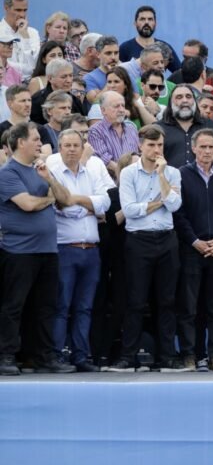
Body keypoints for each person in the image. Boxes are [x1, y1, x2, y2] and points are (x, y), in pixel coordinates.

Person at [0, 122, 75, 375]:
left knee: (46, 307)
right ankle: (7, 356)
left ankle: (44, 357)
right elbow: (28, 204)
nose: (39, 144)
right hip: (18, 251)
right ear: (21, 142)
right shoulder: (8, 172)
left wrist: (50, 180)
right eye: (34, 139)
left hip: (47, 250)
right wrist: (50, 200)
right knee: (14, 306)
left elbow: (66, 200)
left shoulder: (42, 170)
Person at [109, 124, 184, 373]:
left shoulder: (172, 172)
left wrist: (161, 177)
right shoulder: (129, 173)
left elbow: (174, 206)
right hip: (138, 240)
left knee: (167, 300)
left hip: (166, 239)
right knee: (136, 300)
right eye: (151, 145)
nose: (156, 150)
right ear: (140, 146)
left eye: (159, 145)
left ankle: (168, 358)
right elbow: (130, 210)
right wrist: (160, 200)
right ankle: (128, 357)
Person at [174, 129, 213, 372]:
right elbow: (179, 213)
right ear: (194, 149)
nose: (207, 151)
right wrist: (194, 241)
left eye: (212, 147)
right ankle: (189, 355)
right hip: (192, 249)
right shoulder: (181, 175)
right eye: (203, 147)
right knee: (189, 307)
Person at [50, 128, 111, 373]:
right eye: (67, 145)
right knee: (61, 306)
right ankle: (56, 355)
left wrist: (75, 200)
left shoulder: (92, 171)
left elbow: (105, 201)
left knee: (85, 307)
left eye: (76, 145)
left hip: (91, 250)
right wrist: (88, 204)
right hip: (65, 249)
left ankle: (80, 355)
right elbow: (63, 207)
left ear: (83, 146)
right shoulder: (53, 173)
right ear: (60, 147)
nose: (72, 149)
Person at [157, 84, 213, 174]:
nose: (185, 100)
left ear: (194, 101)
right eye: (179, 97)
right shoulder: (159, 129)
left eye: (188, 97)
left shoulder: (211, 126)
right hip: (169, 185)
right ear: (170, 103)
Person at [88, 91, 140, 177]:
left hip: (135, 178)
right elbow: (106, 162)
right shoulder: (95, 131)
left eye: (123, 106)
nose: (121, 110)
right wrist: (127, 175)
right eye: (116, 106)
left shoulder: (131, 129)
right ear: (103, 110)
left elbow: (138, 154)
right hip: (111, 182)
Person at [87, 66, 156, 128]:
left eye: (116, 82)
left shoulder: (133, 104)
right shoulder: (98, 106)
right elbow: (96, 134)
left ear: (126, 85)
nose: (112, 85)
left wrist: (137, 104)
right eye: (109, 82)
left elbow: (153, 126)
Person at [118, 5, 181, 72]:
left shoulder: (164, 47)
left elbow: (179, 73)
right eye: (142, 19)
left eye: (150, 19)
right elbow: (118, 74)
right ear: (135, 23)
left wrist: (166, 82)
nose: (146, 22)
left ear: (155, 23)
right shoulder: (125, 48)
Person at [29, 58, 88, 124]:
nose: (69, 80)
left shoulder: (76, 101)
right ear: (50, 78)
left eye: (71, 76)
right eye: (63, 77)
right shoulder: (36, 101)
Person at [0, 0, 40, 78]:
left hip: (30, 83)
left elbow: (35, 65)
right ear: (6, 8)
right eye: (18, 10)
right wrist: (26, 69)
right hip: (5, 82)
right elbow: (3, 64)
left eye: (25, 10)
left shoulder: (33, 33)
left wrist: (25, 36)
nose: (22, 14)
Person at [84, 35, 121, 103]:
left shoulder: (126, 72)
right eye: (108, 53)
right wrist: (112, 75)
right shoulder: (89, 78)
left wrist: (100, 92)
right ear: (98, 54)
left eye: (116, 53)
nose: (113, 57)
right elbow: (95, 102)